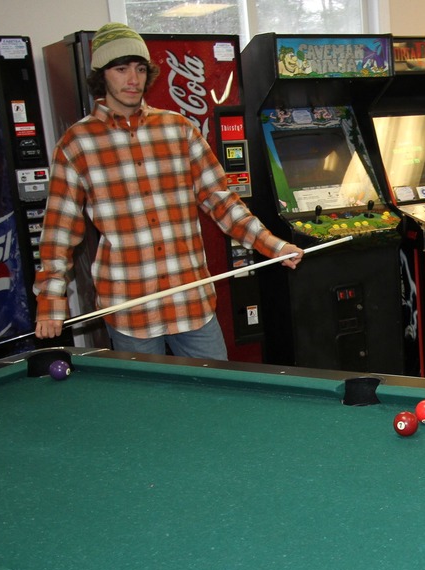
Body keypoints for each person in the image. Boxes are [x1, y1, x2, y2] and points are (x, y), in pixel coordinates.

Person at [34, 23, 301, 359]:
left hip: (190, 301)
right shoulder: (76, 143)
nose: (133, 79)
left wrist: (272, 246)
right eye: (121, 69)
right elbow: (58, 232)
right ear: (102, 76)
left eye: (140, 69)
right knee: (149, 407)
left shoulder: (179, 129)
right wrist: (50, 299)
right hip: (129, 307)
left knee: (218, 393)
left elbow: (221, 200)